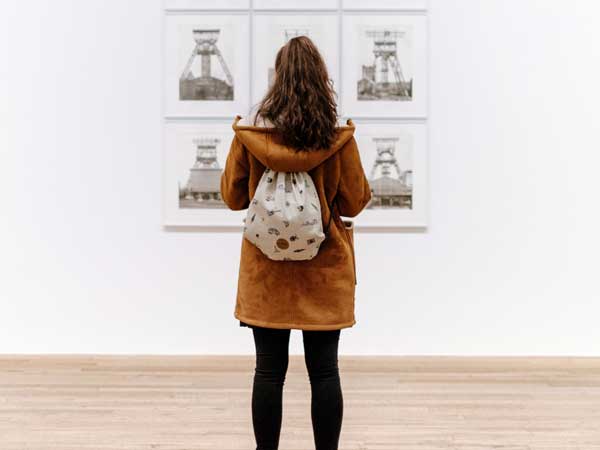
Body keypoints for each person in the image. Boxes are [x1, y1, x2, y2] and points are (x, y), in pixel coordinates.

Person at [220, 36, 371, 450]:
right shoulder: (339, 140)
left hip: (266, 272)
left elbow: (233, 199)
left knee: (268, 371)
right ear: (322, 81)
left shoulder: (249, 137)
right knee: (324, 372)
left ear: (277, 81)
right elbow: (354, 203)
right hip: (324, 273)